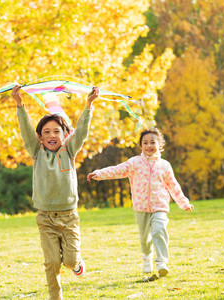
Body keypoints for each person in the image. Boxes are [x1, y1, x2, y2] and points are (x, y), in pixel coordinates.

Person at [11, 84, 99, 300]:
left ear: (65, 135)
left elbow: (83, 130)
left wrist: (89, 104)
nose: (51, 135)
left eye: (56, 132)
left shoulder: (69, 151)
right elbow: (26, 130)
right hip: (45, 218)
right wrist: (20, 104)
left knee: (69, 261)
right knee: (51, 262)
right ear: (40, 136)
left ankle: (77, 263)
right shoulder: (36, 151)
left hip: (69, 217)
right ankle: (55, 297)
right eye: (46, 132)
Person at [87, 128, 194, 277]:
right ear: (141, 146)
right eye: (145, 143)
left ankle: (162, 262)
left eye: (153, 142)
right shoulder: (135, 163)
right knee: (145, 239)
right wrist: (99, 174)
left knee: (159, 230)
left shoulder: (164, 165)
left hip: (160, 206)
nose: (149, 146)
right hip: (141, 207)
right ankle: (146, 257)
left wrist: (184, 203)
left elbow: (173, 186)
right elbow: (118, 170)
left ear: (160, 145)